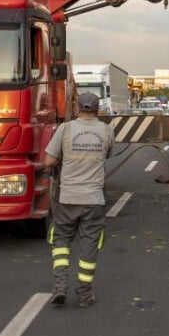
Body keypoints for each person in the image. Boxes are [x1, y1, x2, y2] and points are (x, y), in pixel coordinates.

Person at [43, 91, 115, 307]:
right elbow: (108, 155)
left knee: (61, 241)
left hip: (67, 198)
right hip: (93, 199)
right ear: (98, 110)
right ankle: (84, 295)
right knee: (89, 244)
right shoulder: (106, 131)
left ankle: (60, 286)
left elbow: (49, 161)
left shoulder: (65, 130)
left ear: (78, 109)